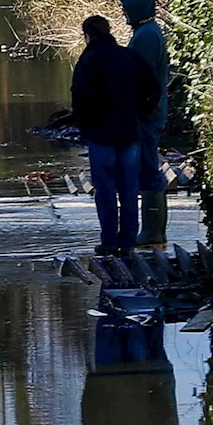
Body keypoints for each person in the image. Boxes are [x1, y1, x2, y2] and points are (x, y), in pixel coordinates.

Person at [71, 15, 160, 255]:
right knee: (130, 190)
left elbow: (78, 97)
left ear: (87, 35)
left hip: (101, 135)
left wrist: (84, 127)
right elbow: (154, 88)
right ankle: (128, 242)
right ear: (109, 31)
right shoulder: (129, 57)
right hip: (130, 132)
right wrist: (140, 114)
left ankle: (109, 242)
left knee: (106, 191)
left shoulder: (88, 61)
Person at [120, 0, 170, 247]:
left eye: (126, 8)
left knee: (148, 168)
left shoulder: (147, 36)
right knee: (146, 166)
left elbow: (140, 78)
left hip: (146, 113)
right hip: (147, 110)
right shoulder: (147, 32)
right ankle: (152, 230)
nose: (124, 13)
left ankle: (153, 231)